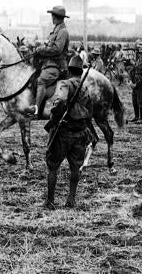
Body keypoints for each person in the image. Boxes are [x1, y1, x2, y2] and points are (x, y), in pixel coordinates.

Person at [44, 54, 93, 210]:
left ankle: (50, 201)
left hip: (63, 132)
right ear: (80, 71)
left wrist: (54, 116)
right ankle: (71, 199)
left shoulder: (65, 84)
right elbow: (89, 109)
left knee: (52, 166)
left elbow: (60, 103)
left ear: (69, 70)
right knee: (75, 167)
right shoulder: (85, 87)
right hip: (80, 132)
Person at [34, 5, 70, 119]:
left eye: (53, 16)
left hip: (56, 66)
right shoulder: (56, 29)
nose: (52, 18)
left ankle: (36, 112)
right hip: (49, 64)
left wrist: (41, 50)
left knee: (40, 81)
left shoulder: (62, 31)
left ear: (57, 17)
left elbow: (57, 49)